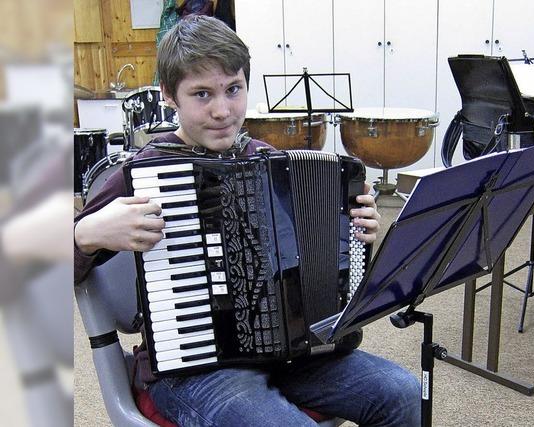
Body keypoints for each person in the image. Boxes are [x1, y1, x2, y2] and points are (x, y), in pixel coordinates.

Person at [74, 15, 421, 426]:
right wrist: (85, 233)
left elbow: (321, 263)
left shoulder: (269, 160)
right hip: (195, 369)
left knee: (406, 395)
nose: (222, 111)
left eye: (233, 90)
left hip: (292, 355)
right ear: (169, 95)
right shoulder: (148, 172)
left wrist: (357, 234)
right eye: (201, 94)